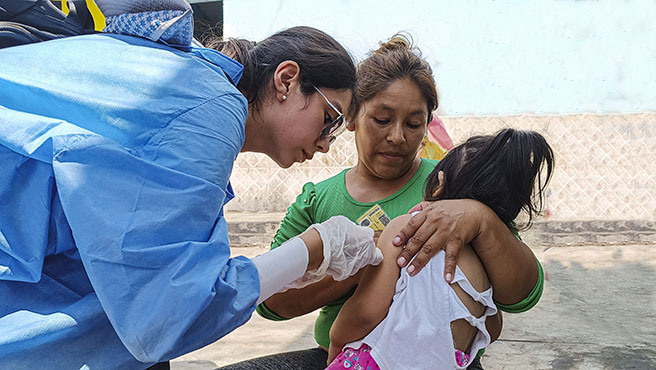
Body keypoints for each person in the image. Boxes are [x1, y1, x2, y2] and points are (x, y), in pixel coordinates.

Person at [0, 11, 384, 369]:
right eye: (329, 121)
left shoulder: (193, 79)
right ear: (286, 80)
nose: (324, 146)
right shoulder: (211, 112)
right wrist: (310, 248)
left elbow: (136, 261)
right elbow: (164, 315)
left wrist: (284, 269)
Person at [219, 34, 544, 370]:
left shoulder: (455, 188)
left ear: (427, 125)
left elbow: (521, 296)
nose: (397, 136)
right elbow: (272, 304)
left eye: (414, 123)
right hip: (350, 353)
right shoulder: (319, 198)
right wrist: (361, 267)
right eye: (382, 119)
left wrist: (482, 219)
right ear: (352, 117)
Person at [326, 128, 555, 369]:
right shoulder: (491, 265)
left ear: (439, 184)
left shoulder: (408, 227)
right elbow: (491, 329)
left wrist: (337, 341)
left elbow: (366, 311)